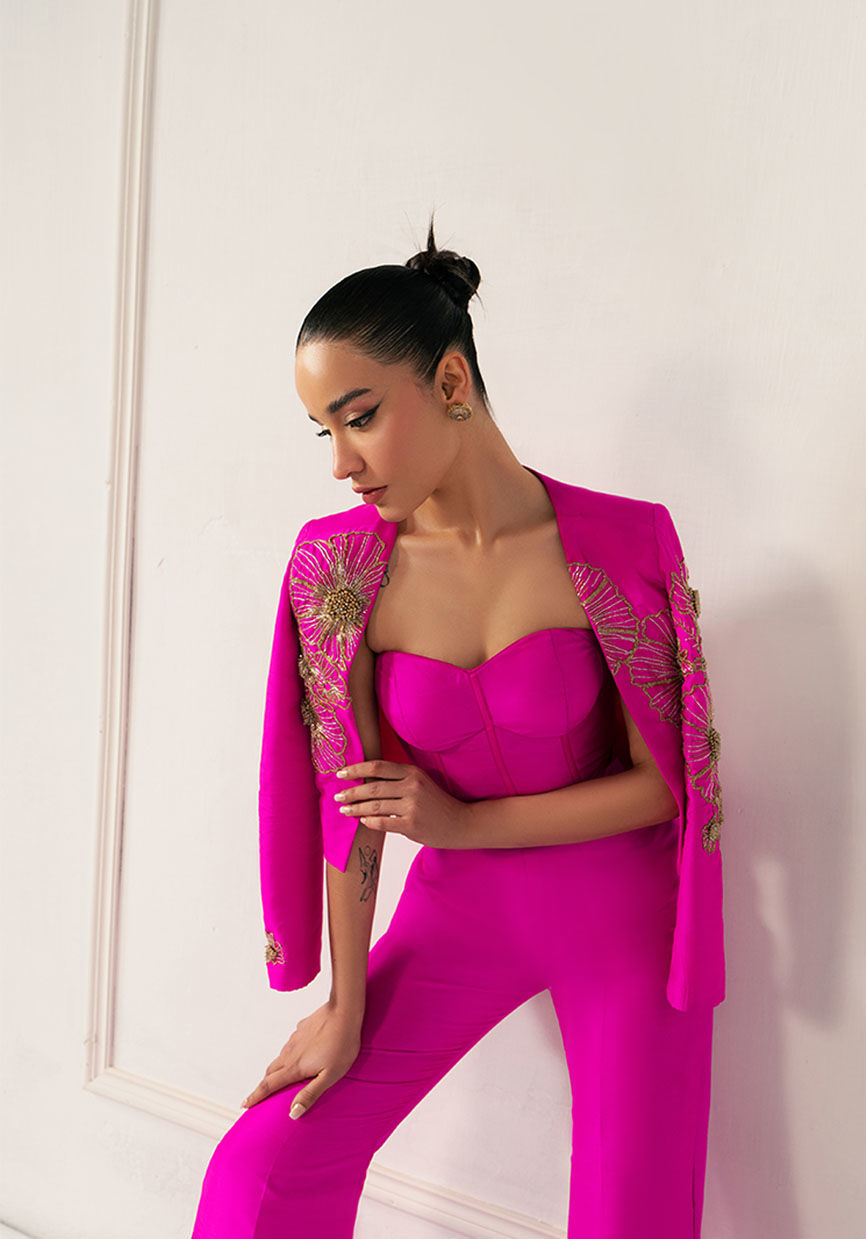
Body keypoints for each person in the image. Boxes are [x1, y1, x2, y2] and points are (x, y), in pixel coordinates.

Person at [190, 216, 725, 1238]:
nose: (342, 462)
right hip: (459, 913)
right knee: (262, 1167)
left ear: (448, 381)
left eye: (359, 418)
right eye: (323, 431)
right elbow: (349, 806)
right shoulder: (337, 569)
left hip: (623, 907)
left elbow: (670, 783)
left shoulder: (623, 540)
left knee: (633, 1214)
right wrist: (345, 1005)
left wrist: (464, 823)